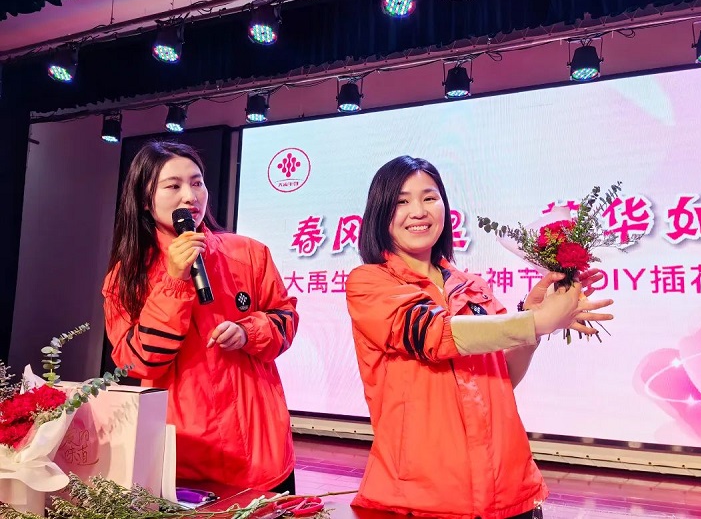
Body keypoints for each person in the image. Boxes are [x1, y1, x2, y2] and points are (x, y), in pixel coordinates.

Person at [345, 156, 613, 519]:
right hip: (421, 500)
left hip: (510, 491)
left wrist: (533, 323)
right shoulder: (370, 283)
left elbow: (503, 377)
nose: (419, 211)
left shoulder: (472, 286)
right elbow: (435, 334)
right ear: (380, 213)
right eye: (402, 201)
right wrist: (535, 321)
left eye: (430, 197)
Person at [102, 141, 298, 493]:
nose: (190, 196)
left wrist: (248, 331)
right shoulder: (126, 277)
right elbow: (138, 361)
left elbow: (285, 319)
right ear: (145, 199)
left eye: (197, 183)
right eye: (173, 186)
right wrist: (174, 280)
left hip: (260, 452)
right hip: (181, 457)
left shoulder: (249, 253)